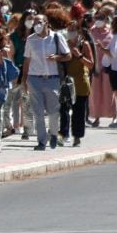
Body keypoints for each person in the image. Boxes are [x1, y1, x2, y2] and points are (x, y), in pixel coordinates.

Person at [20, 13, 71, 150]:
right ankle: (41, 142)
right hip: (34, 79)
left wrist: (57, 57)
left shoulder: (56, 37)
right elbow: (27, 60)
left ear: (46, 23)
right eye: (35, 22)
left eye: (40, 22)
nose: (37, 24)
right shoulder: (31, 39)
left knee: (54, 112)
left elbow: (68, 56)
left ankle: (54, 134)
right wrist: (24, 79)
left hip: (52, 79)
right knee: (38, 113)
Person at [64, 20, 93, 147]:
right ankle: (63, 134)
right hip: (66, 81)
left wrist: (79, 55)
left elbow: (91, 64)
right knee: (63, 109)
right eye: (68, 30)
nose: (70, 33)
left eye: (73, 30)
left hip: (81, 82)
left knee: (79, 111)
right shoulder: (63, 44)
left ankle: (77, 136)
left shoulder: (84, 45)